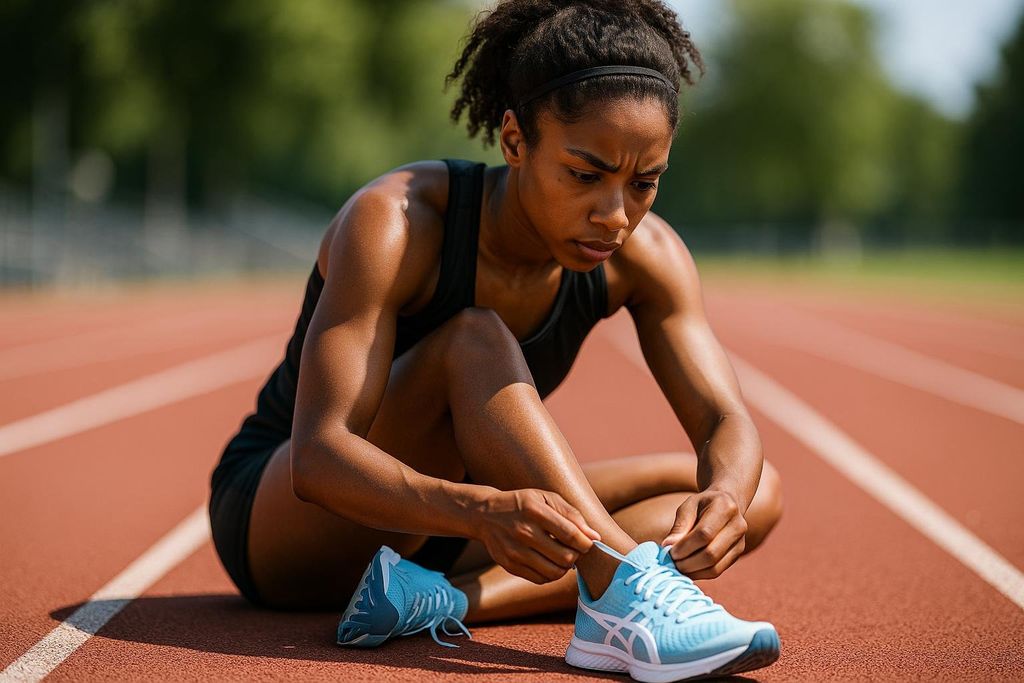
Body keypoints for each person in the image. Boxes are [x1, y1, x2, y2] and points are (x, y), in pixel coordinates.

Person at [209, 1, 784, 680]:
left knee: (755, 488)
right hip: (289, 526)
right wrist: (482, 510)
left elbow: (724, 419)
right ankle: (622, 588)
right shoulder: (398, 223)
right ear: (514, 140)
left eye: (645, 183)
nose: (615, 214)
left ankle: (447, 600)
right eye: (585, 174)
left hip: (449, 529)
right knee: (474, 337)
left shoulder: (645, 256)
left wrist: (724, 497)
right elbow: (319, 458)